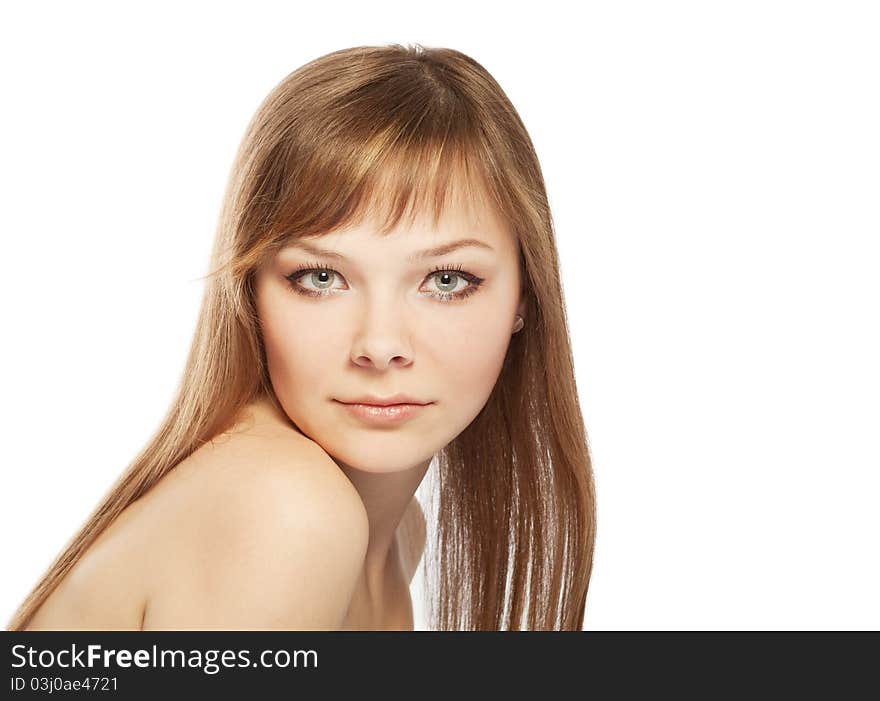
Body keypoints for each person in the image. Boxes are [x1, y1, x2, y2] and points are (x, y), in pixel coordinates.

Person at [8, 43, 596, 631]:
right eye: (322, 277)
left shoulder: (397, 533)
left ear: (525, 295)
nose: (381, 343)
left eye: (446, 280)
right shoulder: (285, 510)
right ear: (250, 295)